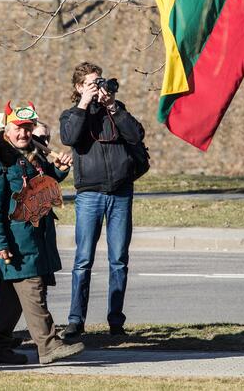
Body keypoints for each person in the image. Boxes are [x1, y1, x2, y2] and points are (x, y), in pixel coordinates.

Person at [0, 102, 83, 365]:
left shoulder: (31, 153)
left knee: (12, 299)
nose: (24, 133)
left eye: (27, 128)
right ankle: (48, 345)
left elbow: (43, 183)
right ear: (7, 128)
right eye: (19, 128)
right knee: (33, 289)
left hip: (36, 235)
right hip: (15, 239)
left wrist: (58, 169)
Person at [59, 62, 145, 339]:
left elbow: (136, 134)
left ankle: (116, 322)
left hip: (120, 193)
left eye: (100, 82)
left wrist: (113, 107)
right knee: (83, 260)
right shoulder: (71, 115)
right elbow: (70, 136)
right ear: (79, 86)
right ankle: (75, 320)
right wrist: (85, 103)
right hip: (90, 195)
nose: (98, 88)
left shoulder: (115, 111)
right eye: (91, 83)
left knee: (119, 259)